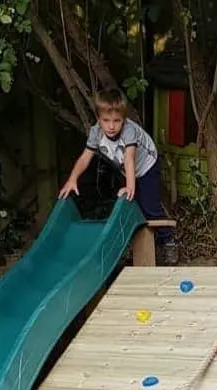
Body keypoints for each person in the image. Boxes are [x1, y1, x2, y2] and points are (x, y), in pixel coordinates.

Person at [59, 88, 177, 265]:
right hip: (126, 169)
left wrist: (130, 186)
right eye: (106, 121)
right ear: (99, 119)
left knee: (150, 208)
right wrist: (72, 178)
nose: (111, 126)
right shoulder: (96, 132)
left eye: (117, 121)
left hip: (146, 165)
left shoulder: (129, 131)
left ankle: (168, 242)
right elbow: (85, 157)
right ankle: (135, 244)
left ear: (124, 119)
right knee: (131, 204)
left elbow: (129, 159)